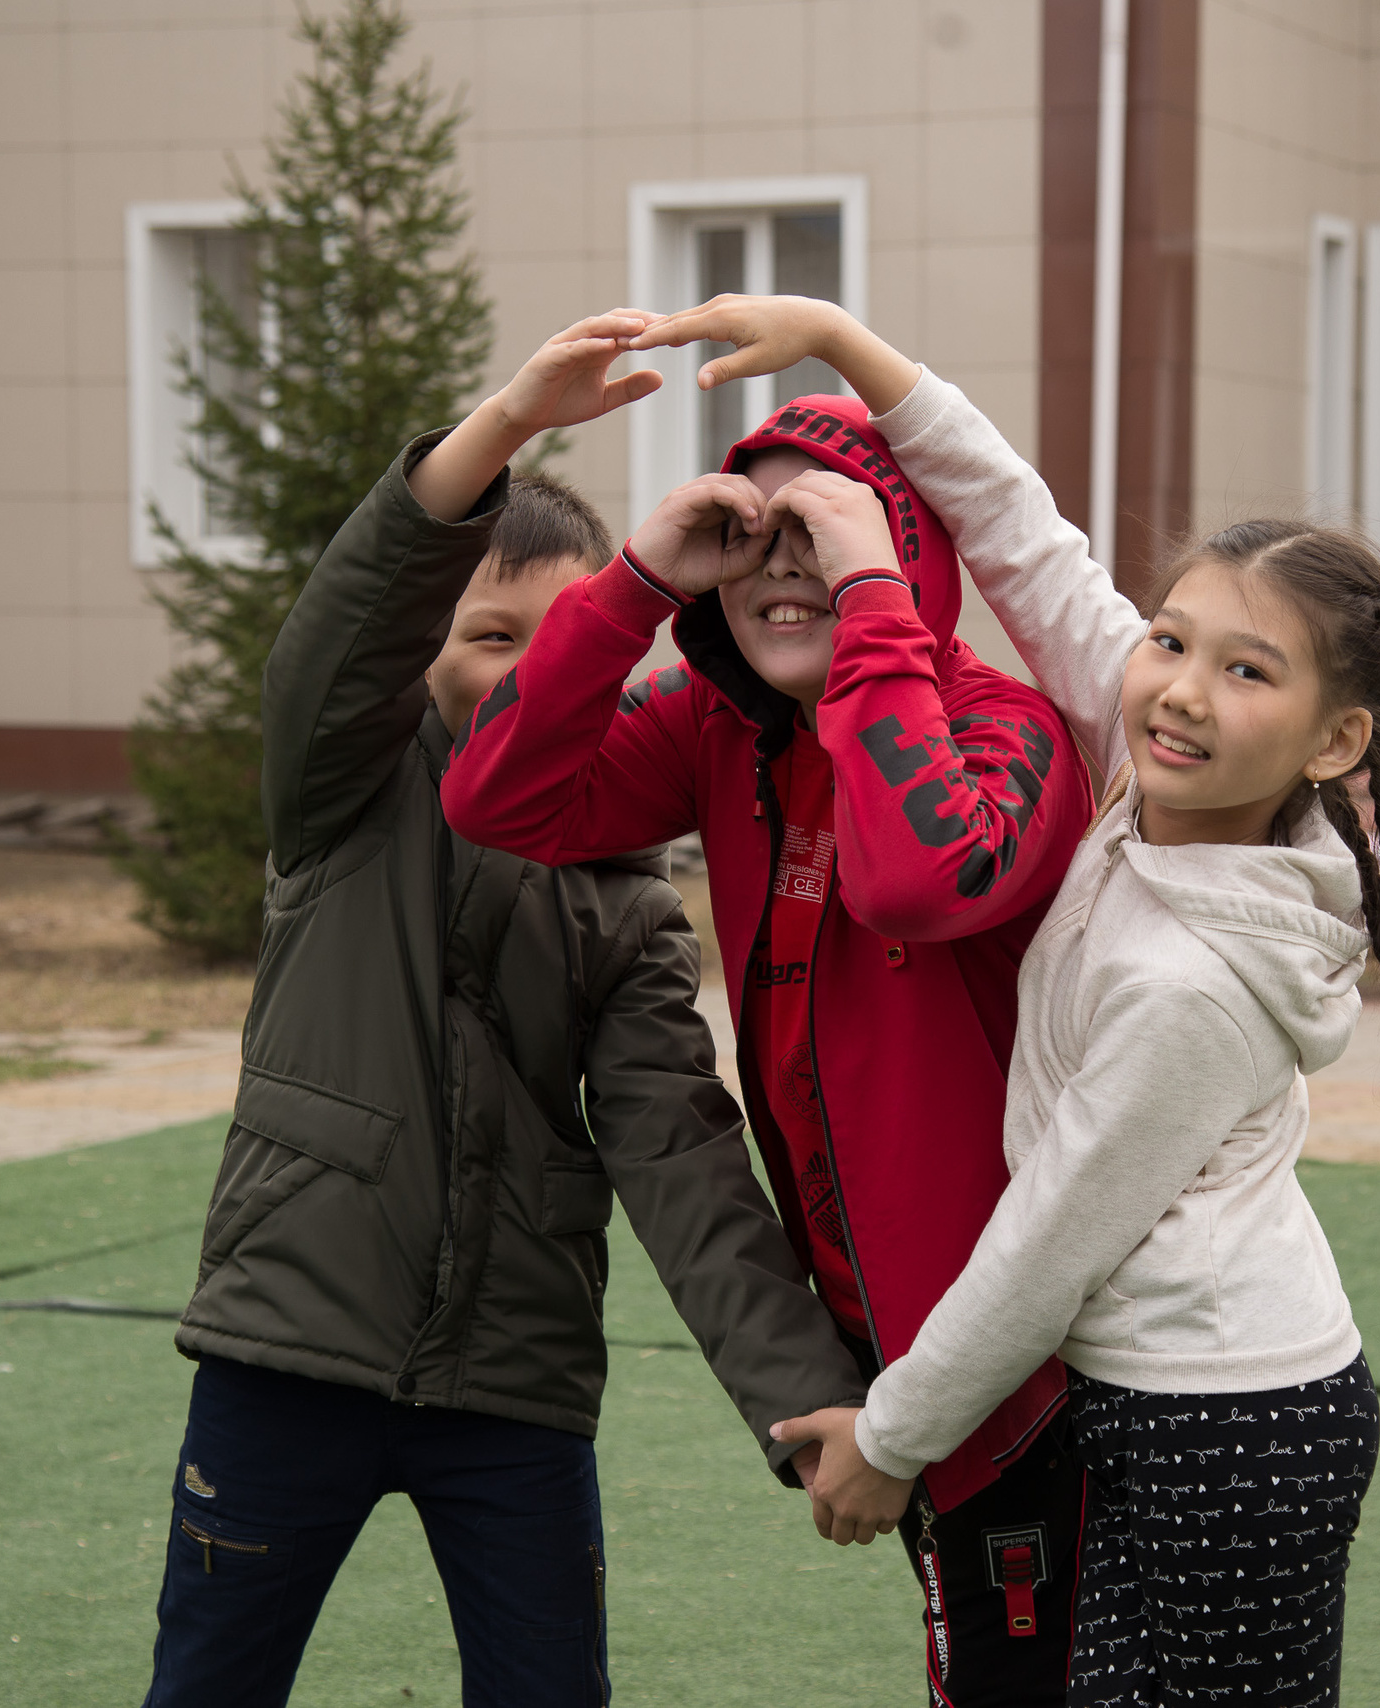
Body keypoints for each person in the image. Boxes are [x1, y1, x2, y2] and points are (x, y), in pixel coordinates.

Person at [629, 296, 1380, 1707]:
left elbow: (1050, 1236)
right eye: (1169, 641)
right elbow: (1024, 538)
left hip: (1225, 1426)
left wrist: (897, 1438)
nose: (1182, 690)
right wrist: (852, 351)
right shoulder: (1153, 777)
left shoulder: (1194, 982)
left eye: (1248, 671)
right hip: (1171, 1402)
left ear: (1336, 739)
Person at [145, 313, 867, 1708]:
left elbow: (682, 1152)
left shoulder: (628, 892)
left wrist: (804, 1392)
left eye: (566, 639)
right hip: (289, 1351)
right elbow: (331, 648)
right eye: (486, 633)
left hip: (513, 1383)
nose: (526, 669)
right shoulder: (344, 787)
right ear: (424, 644)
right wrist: (506, 426)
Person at [437, 362, 1098, 1706]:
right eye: (757, 538)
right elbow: (498, 796)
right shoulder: (722, 732)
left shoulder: (1007, 731)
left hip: (1035, 1378)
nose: (782, 571)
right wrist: (636, 583)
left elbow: (916, 876)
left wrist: (871, 615)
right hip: (893, 1363)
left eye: (831, 535)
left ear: (906, 555)